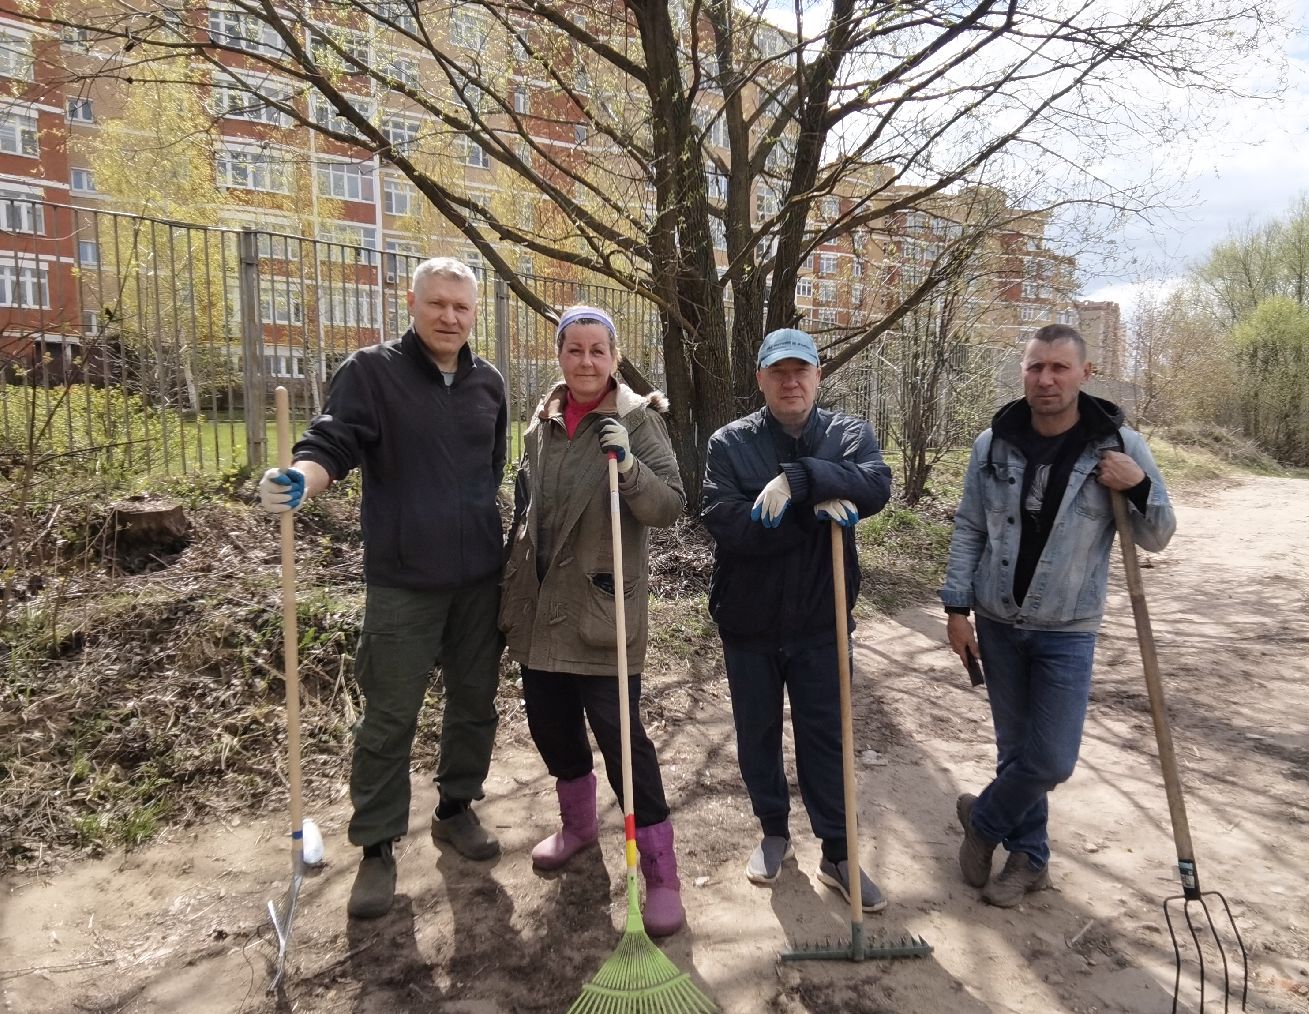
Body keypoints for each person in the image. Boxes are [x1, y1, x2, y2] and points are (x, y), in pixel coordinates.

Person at [256, 257, 508, 920]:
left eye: (462, 306)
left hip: (480, 578)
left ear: (474, 311)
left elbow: (491, 468)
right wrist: (300, 481)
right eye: (438, 305)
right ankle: (376, 846)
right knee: (389, 717)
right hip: (404, 581)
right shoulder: (372, 372)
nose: (450, 317)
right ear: (413, 303)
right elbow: (330, 444)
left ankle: (456, 808)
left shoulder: (488, 383)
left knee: (475, 703)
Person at [941, 323, 1176, 907]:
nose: (1046, 379)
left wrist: (1139, 483)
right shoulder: (992, 444)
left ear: (1084, 374)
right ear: (1023, 372)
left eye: (1059, 368)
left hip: (1067, 627)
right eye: (1036, 367)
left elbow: (1159, 535)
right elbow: (970, 527)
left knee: (1050, 759)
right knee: (1015, 751)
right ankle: (1031, 860)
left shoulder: (1118, 445)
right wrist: (956, 608)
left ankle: (984, 820)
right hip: (996, 619)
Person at [497, 305, 688, 936]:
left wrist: (630, 469)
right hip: (541, 608)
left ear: (614, 356)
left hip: (602, 611)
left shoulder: (635, 418)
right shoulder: (543, 420)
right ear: (560, 356)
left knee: (624, 747)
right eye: (573, 350)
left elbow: (671, 507)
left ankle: (659, 873)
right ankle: (578, 827)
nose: (585, 362)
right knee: (551, 729)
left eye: (597, 351)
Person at [701, 327, 893, 912]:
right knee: (756, 731)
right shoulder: (729, 444)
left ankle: (837, 850)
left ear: (817, 376)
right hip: (749, 622)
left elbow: (877, 485)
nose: (791, 381)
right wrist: (812, 513)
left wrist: (800, 480)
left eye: (801, 370)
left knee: (826, 736)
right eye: (778, 372)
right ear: (759, 379)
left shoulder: (848, 433)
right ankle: (773, 832)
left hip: (822, 620)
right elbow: (728, 522)